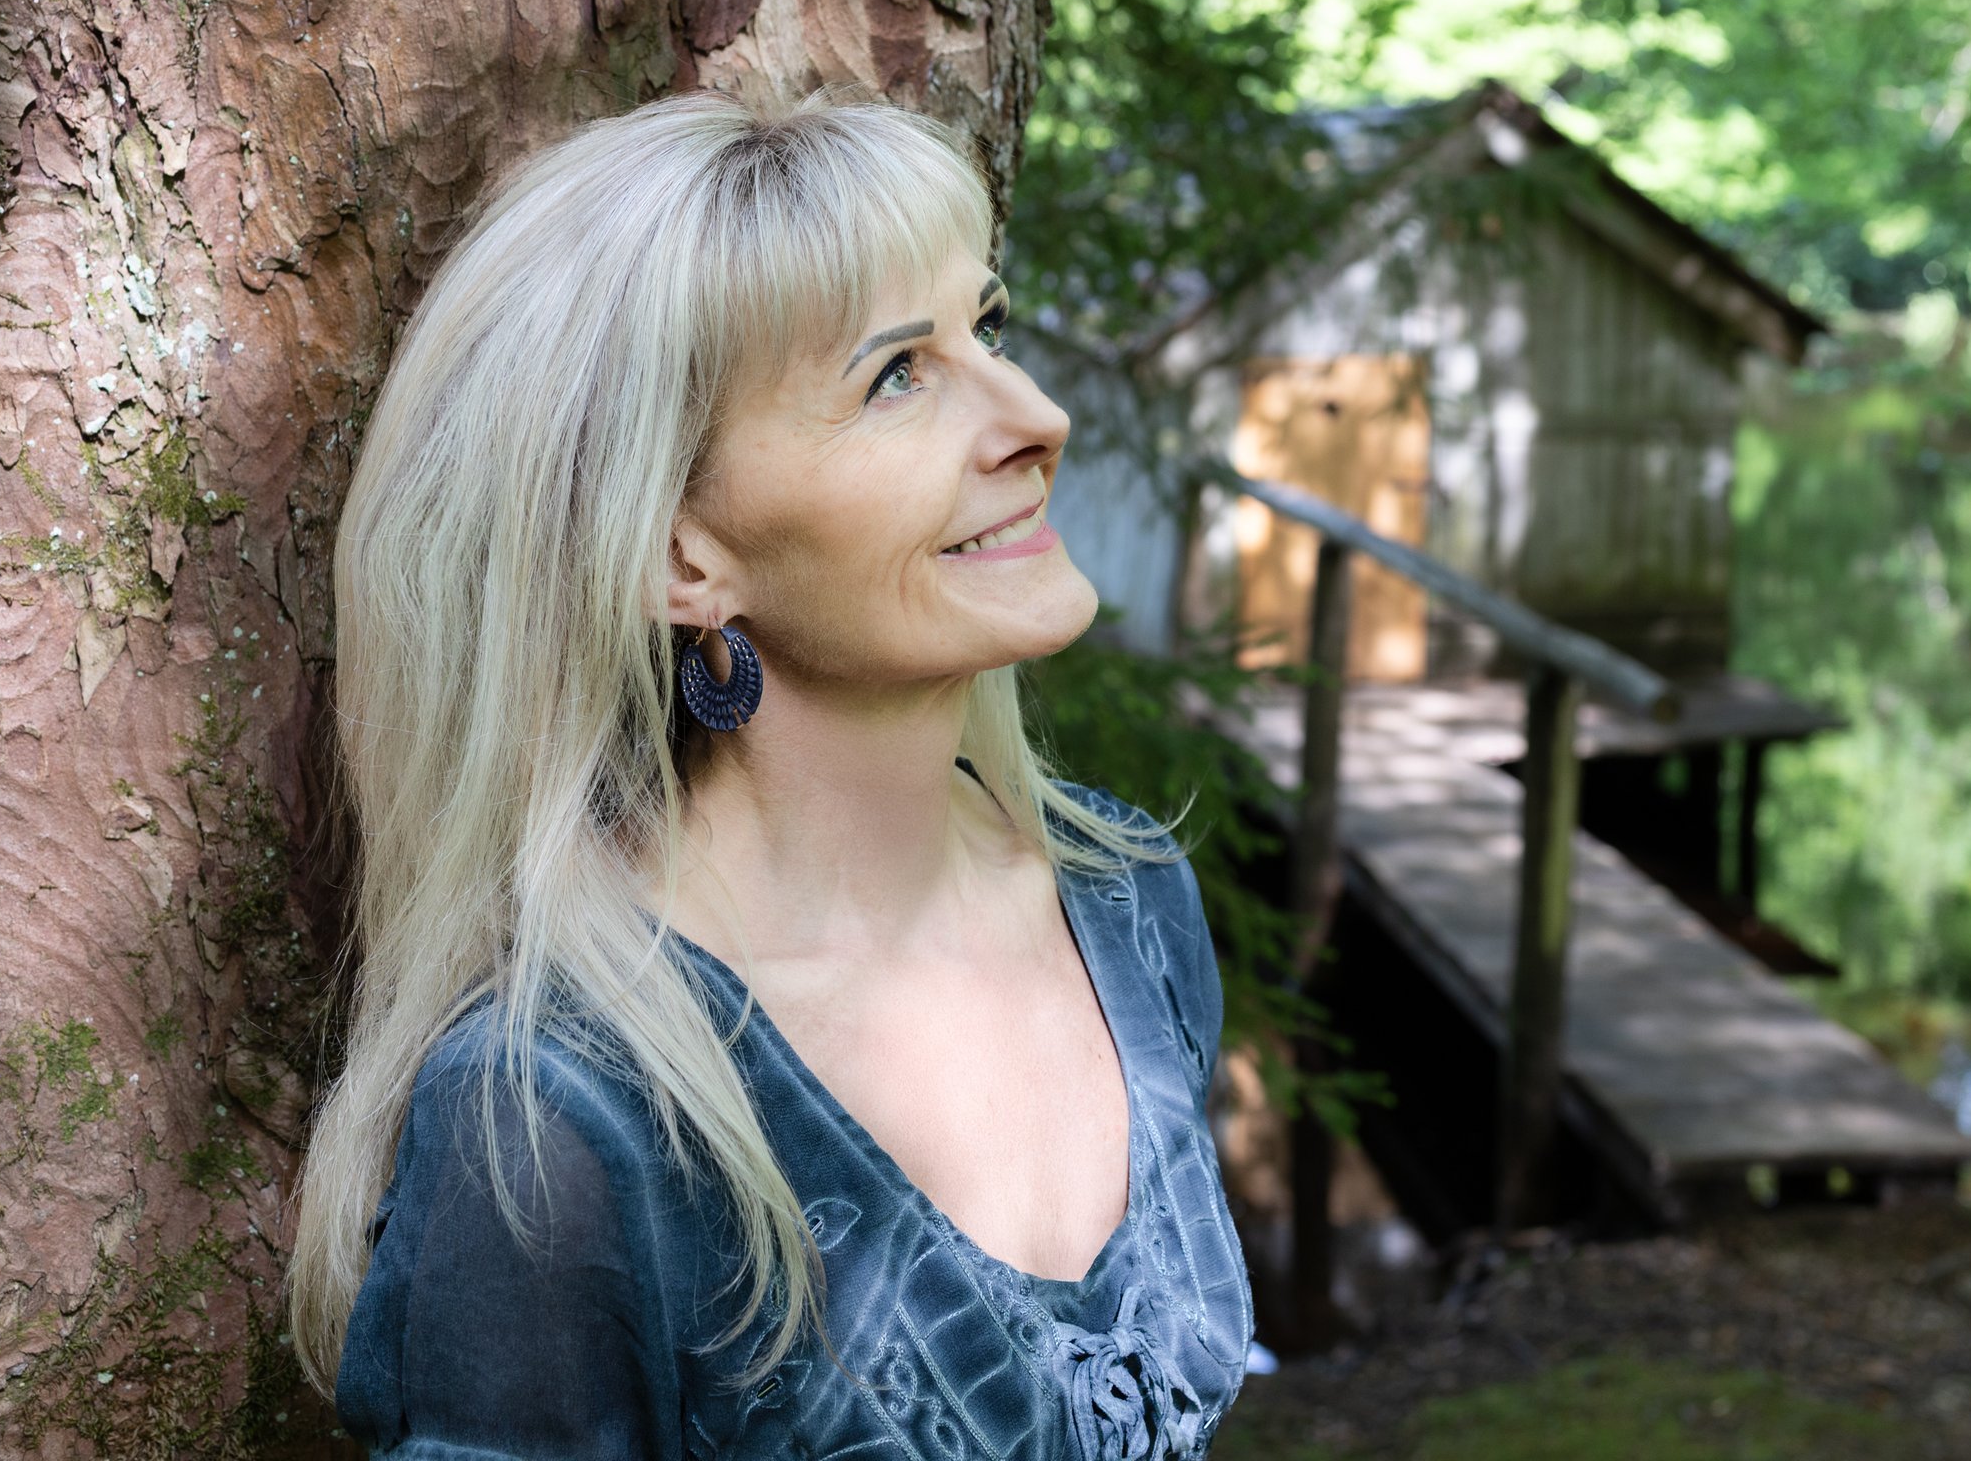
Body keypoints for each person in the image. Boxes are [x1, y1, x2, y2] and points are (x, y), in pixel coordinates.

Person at [287, 86, 1253, 1459]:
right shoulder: (568, 1116)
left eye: (990, 329)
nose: (1036, 418)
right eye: (896, 376)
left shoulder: (1127, 903)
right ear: (680, 556)